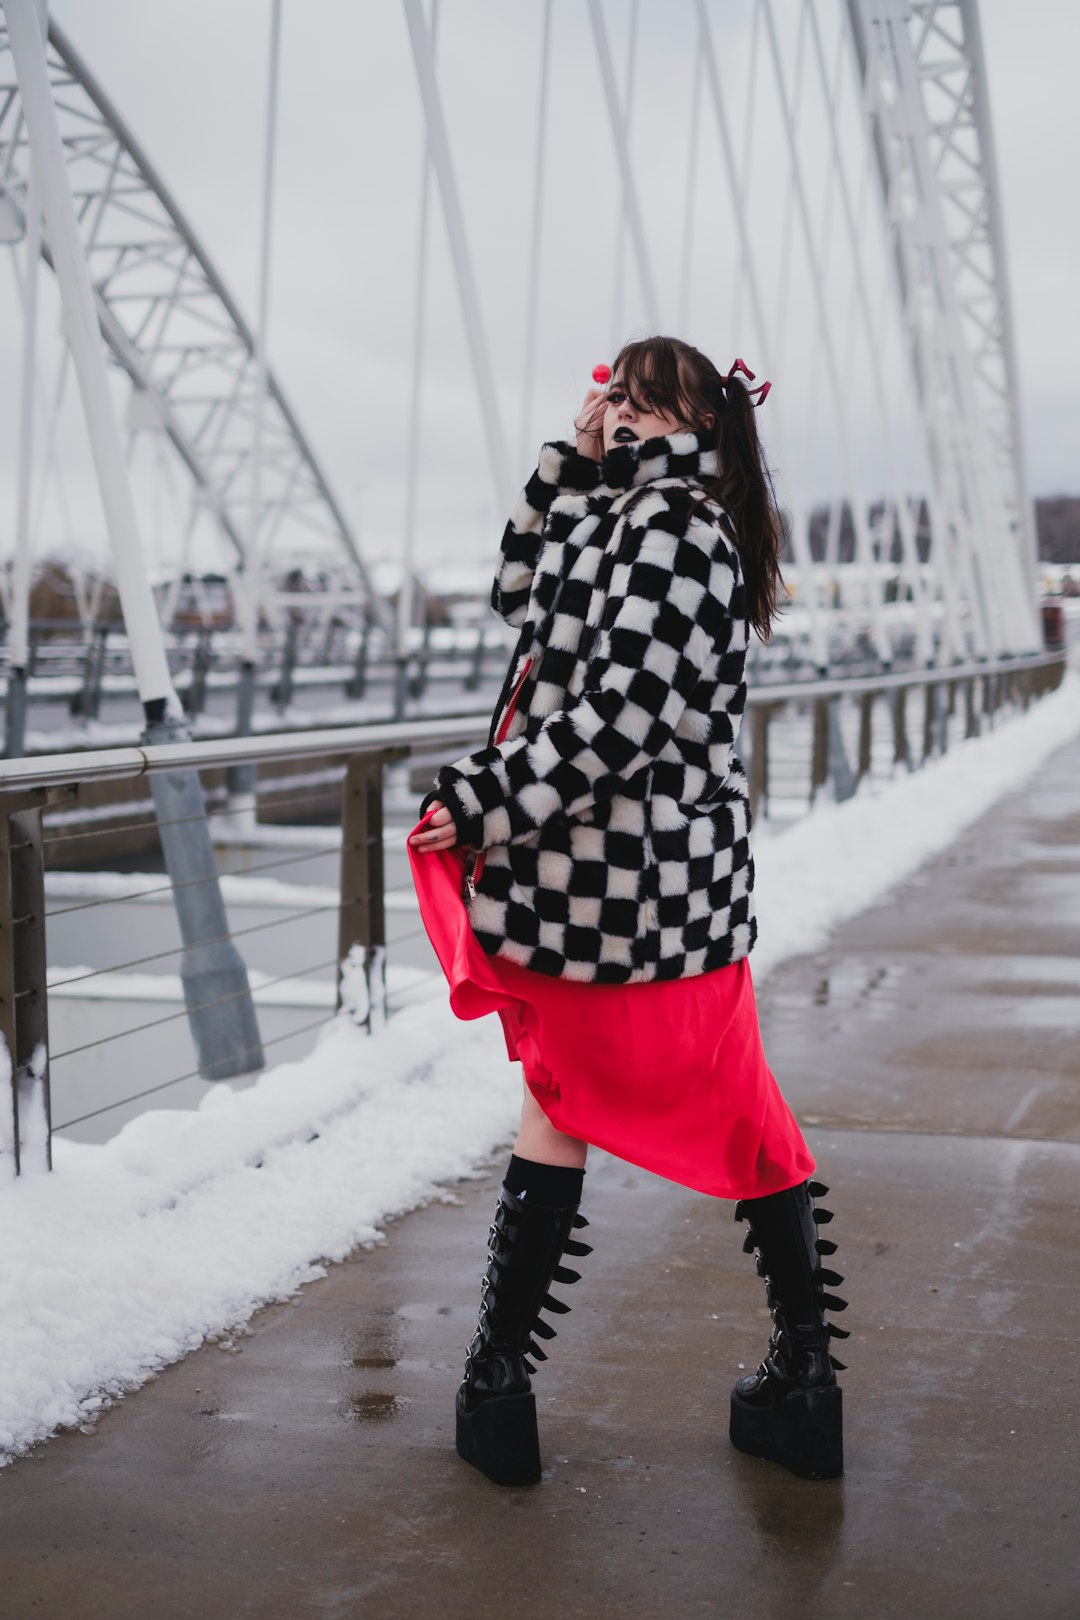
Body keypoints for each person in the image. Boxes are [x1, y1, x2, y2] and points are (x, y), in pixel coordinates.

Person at [408, 335, 848, 1487]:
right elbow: (519, 597)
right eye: (623, 397)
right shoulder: (631, 519)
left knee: (585, 1105)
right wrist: (570, 456)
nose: (631, 416)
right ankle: (803, 1385)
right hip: (634, 896)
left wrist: (488, 798)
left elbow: (623, 720)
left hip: (623, 894)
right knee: (715, 1112)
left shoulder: (674, 527)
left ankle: (500, 1389)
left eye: (654, 403)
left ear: (703, 421)